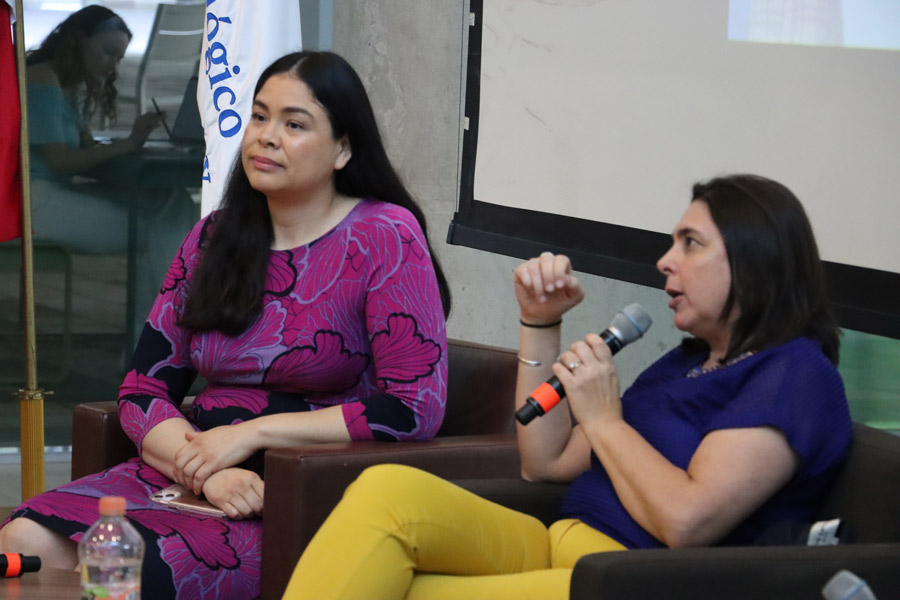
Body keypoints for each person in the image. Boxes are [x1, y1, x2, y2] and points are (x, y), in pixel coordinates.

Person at [0, 51, 451, 599]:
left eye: (294, 124)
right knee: (23, 543)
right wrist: (206, 470)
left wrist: (249, 435)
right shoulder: (216, 236)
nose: (266, 136)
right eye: (259, 117)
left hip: (297, 487)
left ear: (344, 148)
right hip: (196, 471)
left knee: (130, 576)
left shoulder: (384, 235)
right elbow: (144, 390)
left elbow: (412, 408)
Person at [282, 174, 852, 600]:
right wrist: (540, 322)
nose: (664, 261)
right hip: (558, 540)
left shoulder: (794, 373)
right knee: (387, 493)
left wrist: (604, 419)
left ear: (757, 261)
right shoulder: (686, 363)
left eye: (690, 244)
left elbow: (687, 522)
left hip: (627, 579)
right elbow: (546, 461)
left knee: (396, 589)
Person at [23, 5, 197, 325]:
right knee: (158, 232)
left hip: (50, 195)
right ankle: (161, 333)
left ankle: (160, 333)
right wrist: (127, 145)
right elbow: (59, 160)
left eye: (119, 58)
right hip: (34, 204)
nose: (113, 65)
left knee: (175, 202)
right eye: (108, 53)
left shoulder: (64, 82)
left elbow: (84, 148)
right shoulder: (42, 78)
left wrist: (130, 140)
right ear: (78, 41)